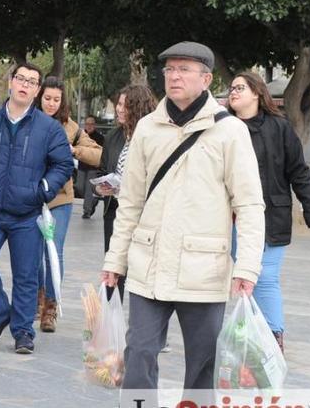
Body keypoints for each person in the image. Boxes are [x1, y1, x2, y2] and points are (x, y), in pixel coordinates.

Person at [101, 41, 265, 394]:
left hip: (203, 269)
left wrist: (247, 268)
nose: (174, 76)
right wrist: (115, 260)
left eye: (184, 69)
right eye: (170, 69)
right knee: (139, 354)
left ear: (206, 79)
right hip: (149, 265)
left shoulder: (230, 131)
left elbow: (250, 205)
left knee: (203, 365)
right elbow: (129, 203)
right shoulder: (147, 127)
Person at [0, 63, 74, 354]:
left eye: (32, 82)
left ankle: (23, 332)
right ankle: (0, 313)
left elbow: (62, 164)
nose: (25, 85)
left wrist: (44, 190)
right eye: (21, 79)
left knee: (26, 276)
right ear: (10, 82)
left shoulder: (48, 128)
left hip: (27, 214)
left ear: (37, 90)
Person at [227, 70, 310, 353]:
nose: (233, 92)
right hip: (231, 219)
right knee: (246, 278)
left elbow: (297, 169)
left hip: (272, 215)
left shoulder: (278, 127)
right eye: (231, 88)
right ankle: (253, 335)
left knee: (265, 276)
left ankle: (272, 337)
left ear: (257, 93)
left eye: (240, 88)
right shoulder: (222, 127)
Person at [35, 76, 102, 332]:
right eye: (47, 98)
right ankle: (37, 298)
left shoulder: (71, 127)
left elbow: (97, 153)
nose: (51, 104)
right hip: (30, 198)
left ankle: (51, 306)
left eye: (56, 99)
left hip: (60, 199)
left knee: (53, 251)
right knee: (32, 253)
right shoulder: (28, 119)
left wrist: (75, 150)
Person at [94, 84, 157, 302]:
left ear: (138, 108)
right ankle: (111, 319)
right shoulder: (113, 136)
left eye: (125, 105)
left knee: (142, 271)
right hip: (114, 211)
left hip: (146, 216)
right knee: (113, 267)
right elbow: (103, 169)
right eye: (118, 104)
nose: (119, 109)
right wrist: (101, 186)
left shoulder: (153, 137)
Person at [80, 115, 105, 219]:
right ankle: (94, 200)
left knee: (88, 190)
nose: (89, 126)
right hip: (82, 165)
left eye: (91, 124)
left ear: (94, 125)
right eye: (87, 124)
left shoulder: (100, 138)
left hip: (93, 167)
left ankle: (87, 211)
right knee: (79, 187)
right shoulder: (81, 136)